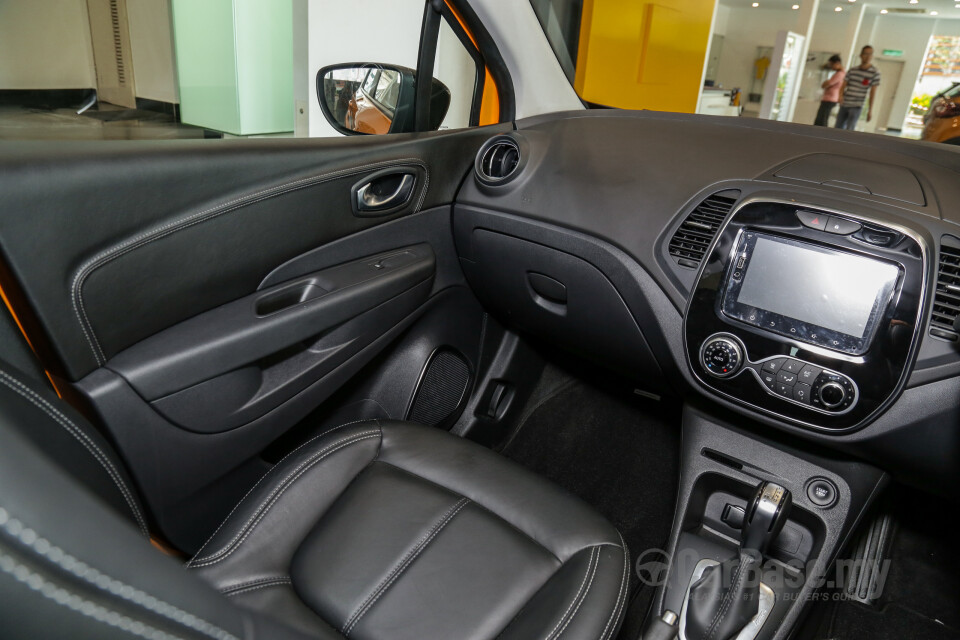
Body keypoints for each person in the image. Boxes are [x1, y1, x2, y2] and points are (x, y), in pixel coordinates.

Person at [835, 45, 881, 130]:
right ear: (861, 55)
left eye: (870, 54)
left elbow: (872, 93)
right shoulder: (853, 70)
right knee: (838, 127)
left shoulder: (875, 72)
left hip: (857, 105)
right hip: (845, 103)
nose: (868, 56)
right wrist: (840, 96)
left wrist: (870, 110)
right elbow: (844, 84)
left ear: (872, 56)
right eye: (865, 54)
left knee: (850, 128)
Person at [814, 55, 844, 126]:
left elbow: (827, 84)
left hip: (830, 100)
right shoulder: (837, 73)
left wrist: (826, 82)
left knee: (822, 120)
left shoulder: (840, 74)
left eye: (831, 64)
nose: (831, 67)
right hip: (828, 99)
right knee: (819, 120)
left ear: (837, 63)